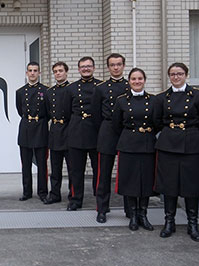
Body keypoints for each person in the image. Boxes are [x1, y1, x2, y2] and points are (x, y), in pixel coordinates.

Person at [154, 62, 199, 242]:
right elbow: (157, 121)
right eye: (173, 74)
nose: (176, 77)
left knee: (191, 185)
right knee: (169, 185)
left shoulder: (198, 96)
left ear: (186, 75)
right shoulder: (161, 98)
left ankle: (192, 224)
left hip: (191, 144)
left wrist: (188, 131)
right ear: (169, 76)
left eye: (180, 73)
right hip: (168, 143)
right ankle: (169, 222)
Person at [112, 68, 156, 231]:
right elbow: (116, 124)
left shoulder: (153, 100)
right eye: (133, 79)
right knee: (130, 181)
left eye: (140, 79)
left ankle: (143, 215)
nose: (137, 82)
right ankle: (133, 215)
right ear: (129, 81)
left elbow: (157, 122)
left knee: (145, 181)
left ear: (144, 80)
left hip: (146, 144)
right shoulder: (121, 100)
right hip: (128, 144)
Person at [91, 53, 130, 223]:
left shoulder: (130, 86)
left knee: (127, 173)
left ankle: (130, 209)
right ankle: (102, 209)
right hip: (107, 131)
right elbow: (95, 113)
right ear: (108, 67)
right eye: (112, 65)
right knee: (103, 174)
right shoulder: (100, 88)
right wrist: (105, 128)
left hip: (125, 132)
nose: (116, 67)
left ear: (123, 66)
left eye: (119, 64)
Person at [62, 57, 101, 211]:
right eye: (83, 67)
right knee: (76, 170)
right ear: (78, 69)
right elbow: (66, 112)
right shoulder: (71, 89)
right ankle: (75, 200)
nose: (86, 69)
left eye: (89, 66)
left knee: (98, 170)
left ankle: (101, 201)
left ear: (94, 68)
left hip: (96, 133)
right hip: (77, 133)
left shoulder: (101, 86)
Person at [16, 62, 50, 202]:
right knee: (26, 163)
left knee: (42, 164)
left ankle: (42, 192)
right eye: (30, 70)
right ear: (26, 73)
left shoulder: (46, 90)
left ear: (39, 73)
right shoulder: (20, 92)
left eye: (35, 70)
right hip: (25, 129)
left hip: (41, 127)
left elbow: (48, 111)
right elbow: (19, 110)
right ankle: (27, 192)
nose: (32, 73)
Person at [45, 61, 71, 204]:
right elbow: (49, 111)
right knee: (55, 168)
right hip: (55, 131)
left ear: (66, 72)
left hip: (69, 131)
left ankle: (73, 195)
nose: (58, 73)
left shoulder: (72, 89)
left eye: (60, 70)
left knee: (72, 168)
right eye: (55, 71)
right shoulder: (50, 92)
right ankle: (55, 194)